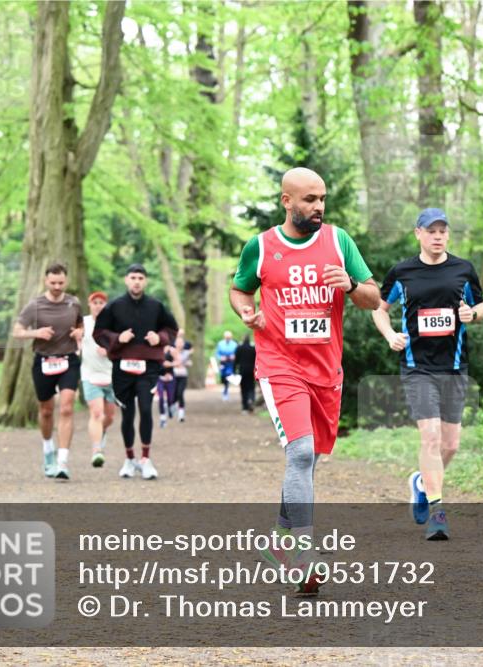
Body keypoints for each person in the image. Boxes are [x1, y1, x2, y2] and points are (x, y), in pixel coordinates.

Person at [230, 167, 380, 594]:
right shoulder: (260, 247)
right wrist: (245, 311)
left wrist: (350, 284)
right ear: (287, 201)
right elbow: (240, 289)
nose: (318, 207)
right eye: (309, 199)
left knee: (310, 460)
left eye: (322, 199)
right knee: (299, 455)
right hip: (279, 364)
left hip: (325, 370)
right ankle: (302, 552)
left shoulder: (338, 241)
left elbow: (373, 298)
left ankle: (279, 541)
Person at [374, 208, 483, 540]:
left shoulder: (463, 270)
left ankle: (421, 483)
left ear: (448, 234)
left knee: (451, 445)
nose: (438, 236)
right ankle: (438, 512)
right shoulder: (402, 272)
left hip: (454, 366)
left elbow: (482, 305)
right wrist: (390, 335)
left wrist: (472, 314)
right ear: (418, 233)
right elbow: (379, 308)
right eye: (431, 230)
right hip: (417, 366)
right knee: (432, 438)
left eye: (443, 231)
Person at [94, 264, 179, 481]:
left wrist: (159, 338)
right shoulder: (114, 306)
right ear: (126, 280)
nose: (137, 281)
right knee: (128, 413)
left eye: (141, 277)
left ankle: (146, 459)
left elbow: (172, 329)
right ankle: (129, 459)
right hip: (122, 366)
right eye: (133, 277)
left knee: (145, 407)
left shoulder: (156, 306)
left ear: (146, 281)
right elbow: (99, 332)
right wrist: (117, 339)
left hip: (148, 366)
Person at [11, 262, 84, 480]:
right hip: (43, 362)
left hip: (68, 360)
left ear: (66, 281)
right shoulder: (35, 305)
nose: (57, 287)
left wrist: (79, 332)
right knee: (46, 410)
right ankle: (47, 449)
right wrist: (36, 333)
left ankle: (62, 461)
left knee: (67, 408)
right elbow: (17, 331)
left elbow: (81, 325)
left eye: (61, 283)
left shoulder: (74, 303)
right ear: (45, 281)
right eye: (53, 283)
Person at [80, 291, 116, 468]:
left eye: (101, 302)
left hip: (111, 376)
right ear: (89, 304)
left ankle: (101, 432)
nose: (98, 305)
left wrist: (109, 351)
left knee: (109, 417)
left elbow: (124, 345)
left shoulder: (113, 323)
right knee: (96, 413)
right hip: (90, 375)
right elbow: (74, 339)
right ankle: (96, 450)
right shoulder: (83, 323)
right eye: (95, 302)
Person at [172, 332, 192, 422]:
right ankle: (172, 406)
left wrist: (187, 363)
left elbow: (190, 363)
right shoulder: (171, 352)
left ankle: (181, 414)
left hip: (183, 375)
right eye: (178, 343)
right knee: (174, 394)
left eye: (181, 343)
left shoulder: (186, 353)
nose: (179, 345)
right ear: (175, 343)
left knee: (180, 393)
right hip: (173, 375)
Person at [234, 333, 256, 414]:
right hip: (251, 371)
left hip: (242, 371)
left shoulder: (239, 348)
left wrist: (234, 370)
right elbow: (256, 360)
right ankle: (251, 399)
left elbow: (236, 361)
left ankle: (245, 407)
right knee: (251, 387)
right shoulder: (252, 348)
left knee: (243, 389)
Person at [157, 347, 177, 429]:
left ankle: (170, 408)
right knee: (161, 398)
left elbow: (179, 361)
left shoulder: (171, 351)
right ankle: (162, 418)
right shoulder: (156, 351)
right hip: (160, 378)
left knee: (170, 398)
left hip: (170, 379)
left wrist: (171, 364)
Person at [215, 330, 237, 401]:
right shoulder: (220, 344)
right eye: (226, 337)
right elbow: (217, 353)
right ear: (224, 337)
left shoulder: (234, 344)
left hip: (230, 363)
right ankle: (224, 386)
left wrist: (234, 356)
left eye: (229, 337)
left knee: (228, 375)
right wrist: (221, 357)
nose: (228, 338)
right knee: (223, 376)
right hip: (223, 363)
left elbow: (237, 353)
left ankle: (225, 391)